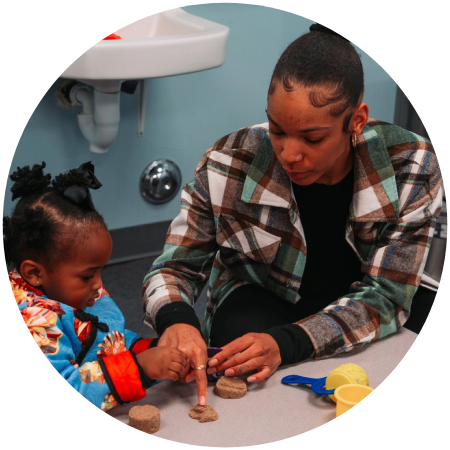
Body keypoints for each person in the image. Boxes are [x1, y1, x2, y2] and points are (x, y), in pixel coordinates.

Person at [142, 23, 443, 406]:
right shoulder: (227, 161)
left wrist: (289, 343)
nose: (289, 154)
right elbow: (173, 268)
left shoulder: (411, 164)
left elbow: (388, 295)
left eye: (312, 138)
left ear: (357, 120)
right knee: (240, 359)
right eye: (277, 129)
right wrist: (177, 320)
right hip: (265, 297)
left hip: (361, 298)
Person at [5, 162, 189, 411]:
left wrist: (153, 350)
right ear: (35, 273)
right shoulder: (34, 321)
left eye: (101, 270)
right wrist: (140, 367)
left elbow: (109, 339)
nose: (99, 285)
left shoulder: (80, 290)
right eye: (87, 276)